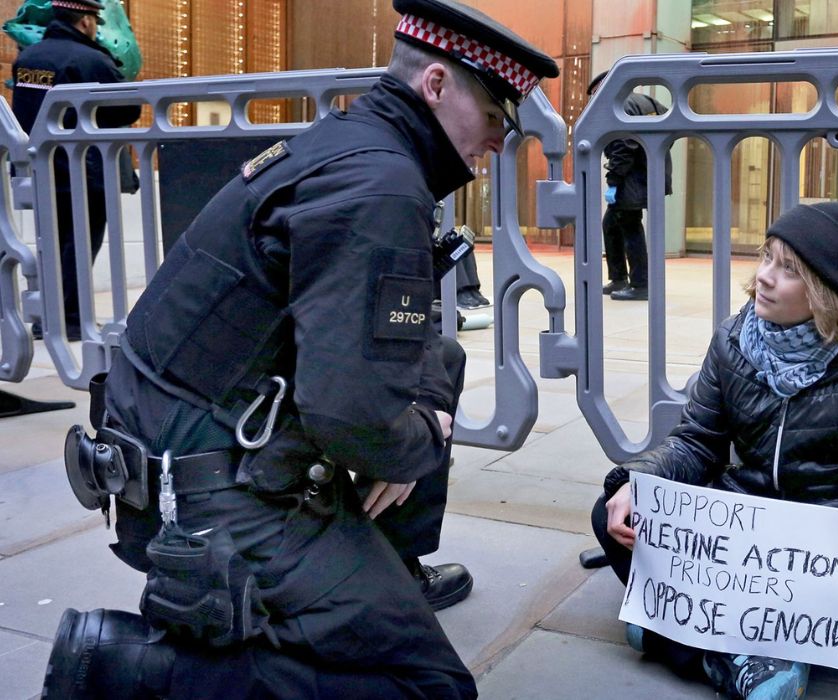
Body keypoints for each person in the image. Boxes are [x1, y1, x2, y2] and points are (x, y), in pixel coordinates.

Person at [43, 0, 557, 697]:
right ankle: (134, 669)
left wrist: (407, 427)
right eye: (495, 118)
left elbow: (392, 361)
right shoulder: (381, 186)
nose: (498, 142)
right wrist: (414, 440)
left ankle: (376, 576)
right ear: (435, 86)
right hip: (209, 489)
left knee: (439, 366)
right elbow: (351, 417)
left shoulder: (351, 146)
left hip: (181, 442)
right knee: (427, 685)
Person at [591, 202, 838, 699]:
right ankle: (750, 654)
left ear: (828, 291)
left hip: (823, 542)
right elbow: (696, 441)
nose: (763, 277)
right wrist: (639, 480)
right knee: (615, 510)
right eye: (766, 257)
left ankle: (681, 636)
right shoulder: (734, 339)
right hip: (739, 532)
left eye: (789, 269)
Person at [9, 0, 140, 341]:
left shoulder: (28, 59)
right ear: (85, 21)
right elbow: (125, 109)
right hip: (85, 170)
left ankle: (45, 319)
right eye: (95, 21)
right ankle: (68, 320)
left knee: (50, 245)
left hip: (40, 168)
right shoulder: (91, 60)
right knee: (79, 245)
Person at [587, 70, 672, 302]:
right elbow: (670, 127)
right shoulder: (646, 101)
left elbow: (624, 146)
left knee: (630, 226)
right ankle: (619, 278)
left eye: (595, 93)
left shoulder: (620, 104)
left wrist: (613, 181)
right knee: (612, 223)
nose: (594, 99)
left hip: (631, 178)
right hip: (650, 174)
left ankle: (640, 284)